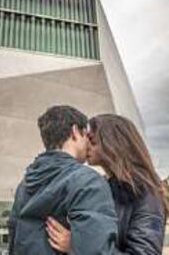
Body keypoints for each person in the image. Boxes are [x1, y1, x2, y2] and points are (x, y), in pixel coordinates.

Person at [46, 114, 168, 255]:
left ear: (113, 142)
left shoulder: (147, 194)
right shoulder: (103, 187)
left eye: (91, 139)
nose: (86, 145)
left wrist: (77, 246)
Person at [8, 106, 118, 255]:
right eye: (86, 135)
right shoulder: (88, 182)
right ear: (74, 132)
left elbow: (14, 241)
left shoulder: (25, 183)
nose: (88, 143)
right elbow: (98, 251)